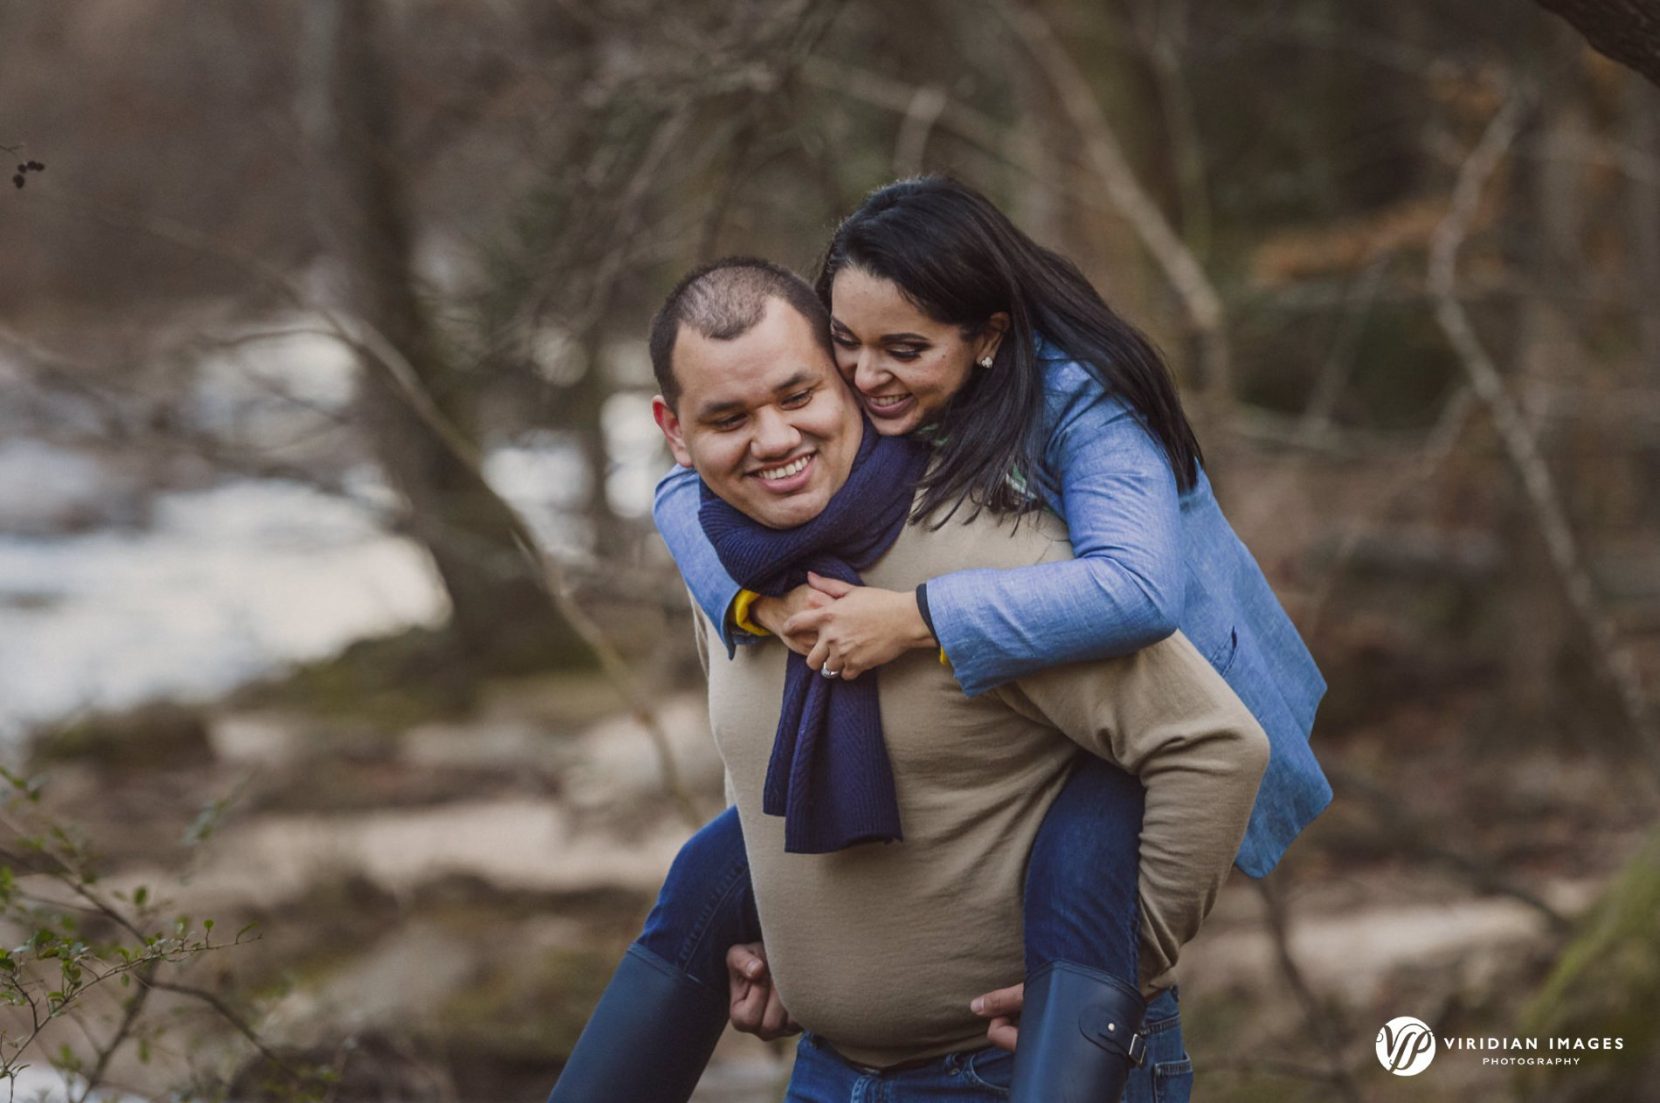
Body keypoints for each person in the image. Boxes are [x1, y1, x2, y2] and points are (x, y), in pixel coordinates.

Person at [578, 258, 1265, 1102]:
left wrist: (1105, 983)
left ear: (849, 381)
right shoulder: (729, 573)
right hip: (831, 1073)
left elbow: (1216, 745)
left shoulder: (997, 558)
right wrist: (799, 949)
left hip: (1012, 1072)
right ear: (674, 432)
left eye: (798, 397)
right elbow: (756, 769)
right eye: (728, 417)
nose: (774, 439)